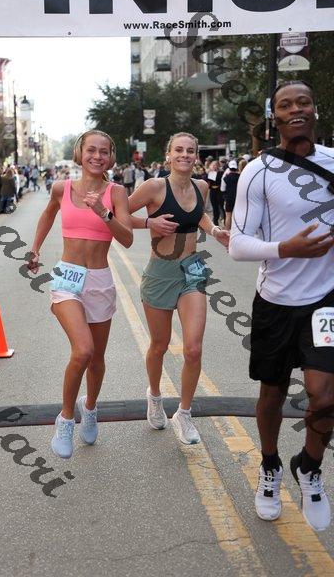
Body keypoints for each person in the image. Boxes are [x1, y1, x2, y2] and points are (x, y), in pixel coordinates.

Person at [230, 81, 334, 532]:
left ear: (315, 110)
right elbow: (237, 244)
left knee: (325, 396)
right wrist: (285, 249)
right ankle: (270, 464)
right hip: (275, 301)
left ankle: (309, 466)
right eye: (286, 105)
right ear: (275, 117)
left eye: (303, 102)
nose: (296, 109)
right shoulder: (259, 171)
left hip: (326, 300)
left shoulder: (332, 162)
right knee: (271, 393)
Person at [28, 130, 132, 459]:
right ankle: (65, 419)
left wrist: (104, 213)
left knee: (97, 359)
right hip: (67, 277)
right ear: (80, 153)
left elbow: (127, 238)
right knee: (83, 351)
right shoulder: (62, 188)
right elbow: (48, 214)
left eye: (104, 151)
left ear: (110, 158)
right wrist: (35, 249)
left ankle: (90, 408)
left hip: (100, 279)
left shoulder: (117, 193)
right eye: (91, 150)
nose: (97, 156)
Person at [128, 132, 229, 445]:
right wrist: (149, 223)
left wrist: (214, 230)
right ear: (168, 155)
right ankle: (155, 396)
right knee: (159, 345)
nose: (185, 155)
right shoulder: (154, 187)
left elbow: (200, 215)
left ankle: (184, 413)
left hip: (192, 272)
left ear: (196, 156)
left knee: (193, 348)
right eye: (179, 150)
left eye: (190, 151)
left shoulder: (201, 186)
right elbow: (119, 214)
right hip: (160, 274)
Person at [221, 160, 240, 230]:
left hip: (229, 198)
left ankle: (227, 231)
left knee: (228, 215)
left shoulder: (225, 177)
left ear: (229, 168)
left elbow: (222, 189)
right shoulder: (240, 176)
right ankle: (237, 230)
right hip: (238, 198)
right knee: (238, 215)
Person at [207, 160, 225, 226]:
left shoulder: (221, 173)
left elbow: (222, 181)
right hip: (212, 191)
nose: (214, 166)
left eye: (215, 165)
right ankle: (215, 221)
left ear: (218, 166)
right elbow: (207, 181)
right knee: (214, 207)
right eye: (213, 165)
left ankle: (224, 220)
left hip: (219, 191)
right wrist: (208, 173)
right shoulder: (210, 173)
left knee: (221, 206)